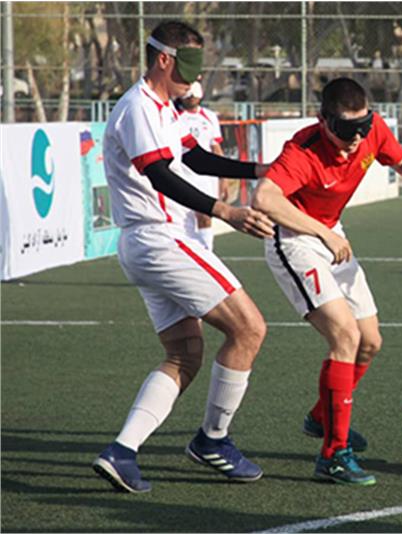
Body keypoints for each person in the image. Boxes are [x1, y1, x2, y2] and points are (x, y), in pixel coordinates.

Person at [93, 20, 277, 494]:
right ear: (163, 59)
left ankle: (121, 452)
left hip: (152, 244)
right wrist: (225, 211)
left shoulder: (164, 109)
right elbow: (157, 173)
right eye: (190, 64)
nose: (197, 77)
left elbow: (194, 159)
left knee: (184, 354)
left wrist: (261, 169)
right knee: (250, 328)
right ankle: (213, 440)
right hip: (159, 239)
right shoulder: (137, 107)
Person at [251, 77, 402, 485]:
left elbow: (401, 162)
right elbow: (265, 199)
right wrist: (323, 233)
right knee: (344, 336)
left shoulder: (370, 129)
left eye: (361, 128)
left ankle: (321, 416)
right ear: (323, 120)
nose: (354, 139)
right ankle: (333, 455)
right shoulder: (302, 149)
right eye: (345, 131)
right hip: (294, 240)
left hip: (331, 235)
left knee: (370, 341)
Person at [176, 80, 227, 250]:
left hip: (206, 177)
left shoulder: (209, 117)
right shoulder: (174, 116)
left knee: (205, 215)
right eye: (188, 95)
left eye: (194, 95)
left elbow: (216, 147)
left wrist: (223, 178)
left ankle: (207, 250)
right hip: (182, 174)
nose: (191, 98)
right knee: (185, 217)